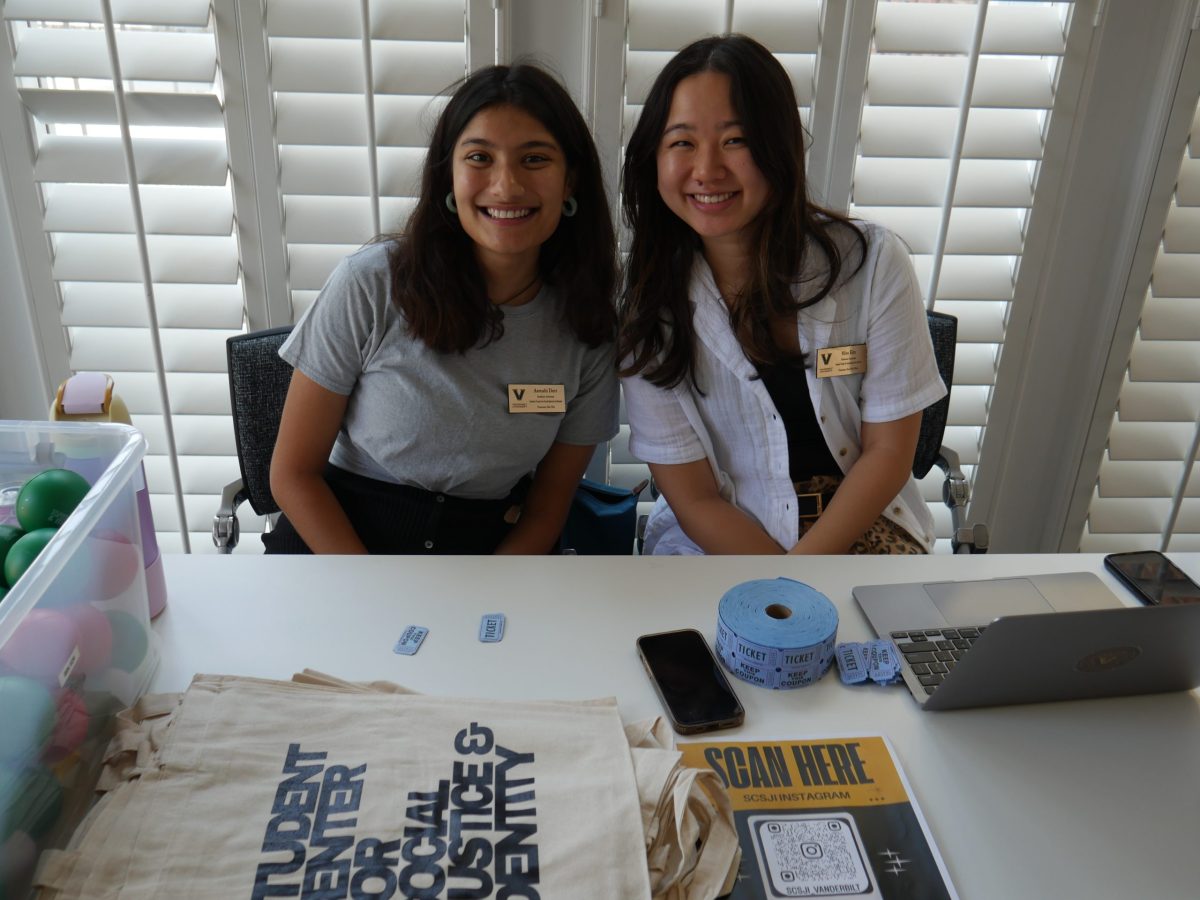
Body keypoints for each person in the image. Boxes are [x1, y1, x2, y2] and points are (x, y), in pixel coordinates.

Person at [266, 64, 619, 555]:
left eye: (534, 159)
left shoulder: (589, 324)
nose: (506, 186)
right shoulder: (372, 282)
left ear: (570, 181)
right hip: (337, 543)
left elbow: (546, 510)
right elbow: (293, 474)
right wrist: (376, 592)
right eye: (479, 157)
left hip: (488, 550)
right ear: (448, 177)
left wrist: (485, 602)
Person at [618, 35, 947, 556]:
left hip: (860, 524)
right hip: (724, 534)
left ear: (778, 147)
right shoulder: (647, 306)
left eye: (735, 140)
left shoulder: (874, 262)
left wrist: (802, 575)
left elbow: (887, 452)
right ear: (652, 159)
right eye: (681, 142)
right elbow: (697, 498)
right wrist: (778, 584)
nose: (707, 169)